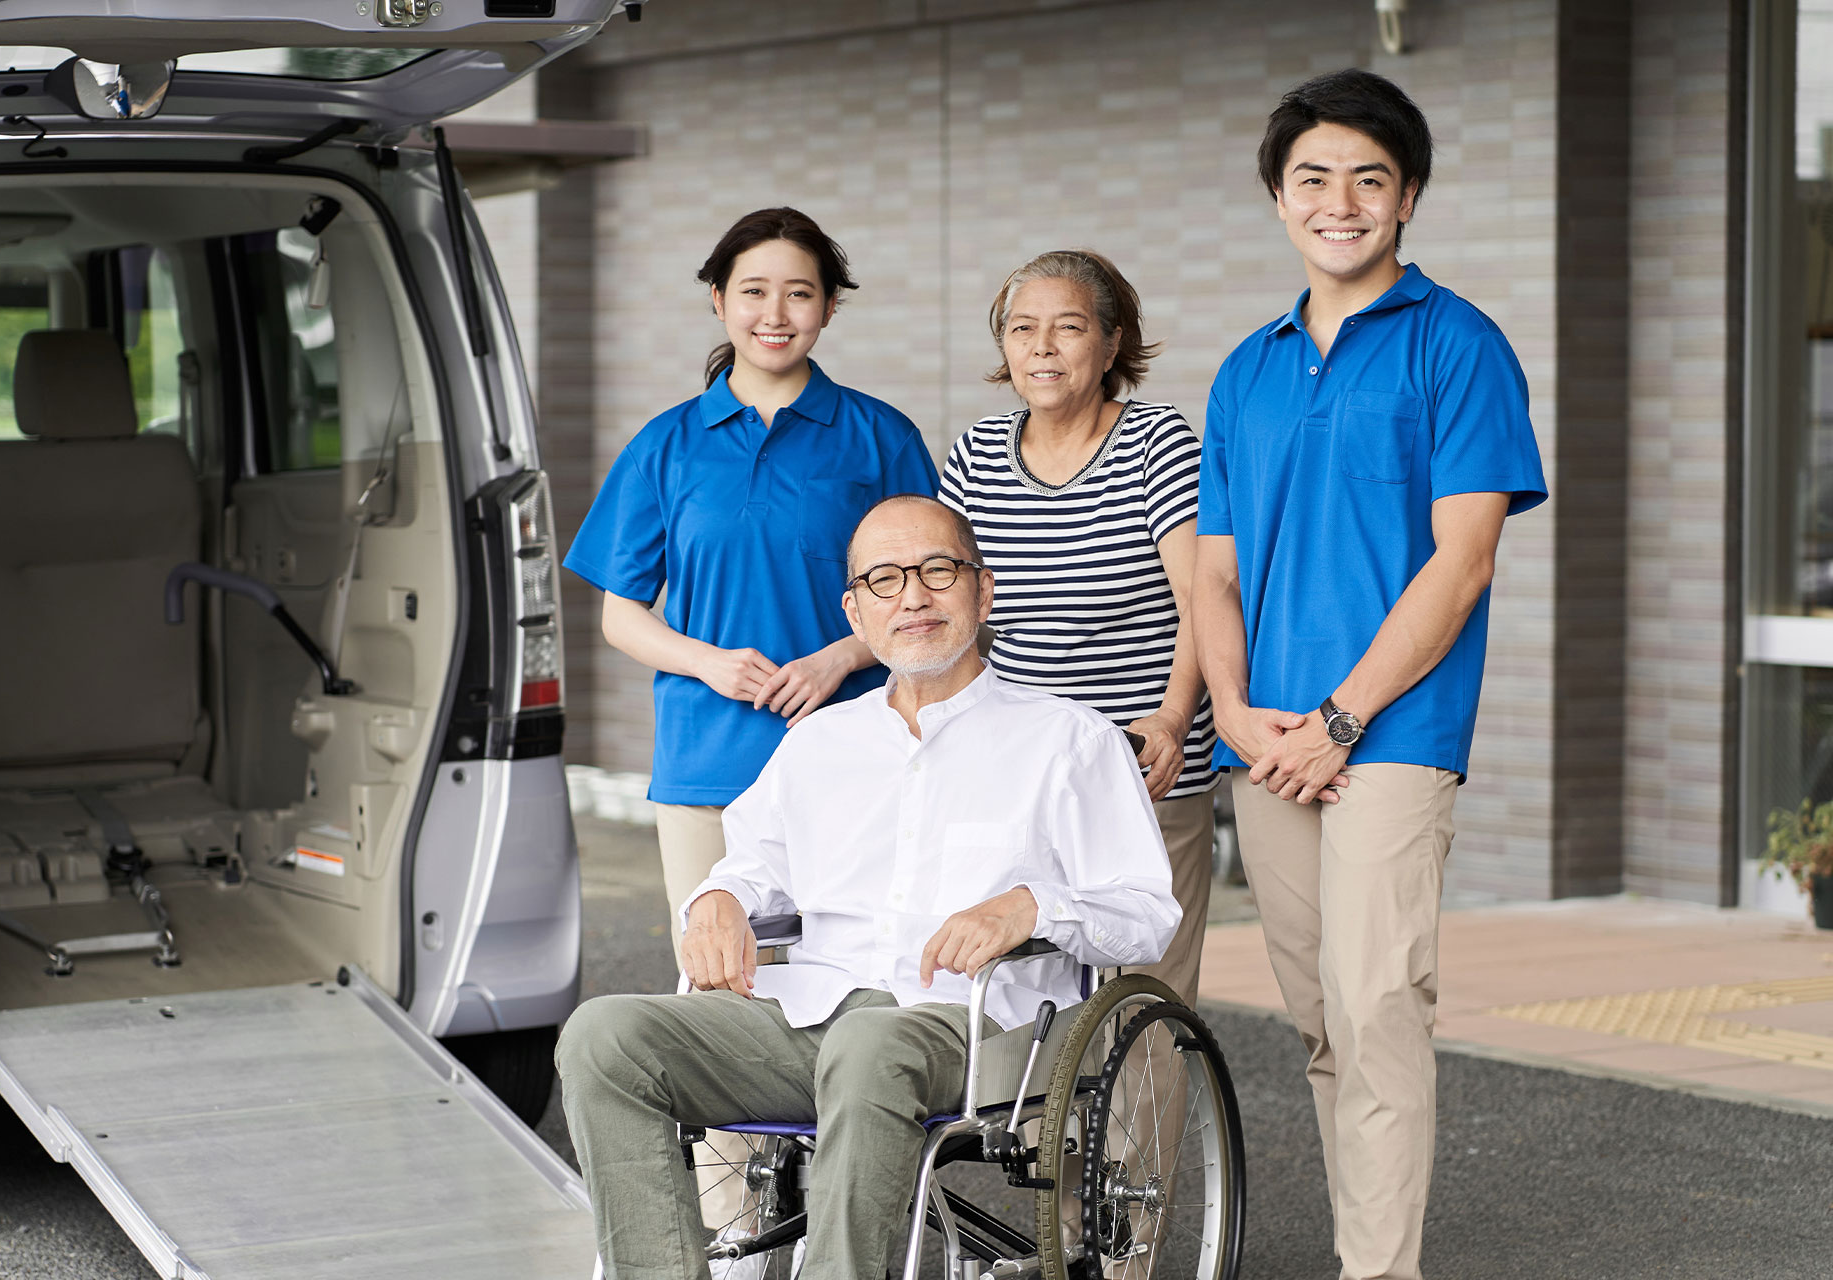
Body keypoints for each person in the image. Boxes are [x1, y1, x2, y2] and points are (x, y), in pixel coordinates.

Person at [557, 495, 1179, 1280]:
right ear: (856, 610)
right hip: (811, 1017)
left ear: (983, 592)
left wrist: (1032, 905)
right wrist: (716, 901)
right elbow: (749, 866)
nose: (912, 596)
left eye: (937, 571)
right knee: (604, 1037)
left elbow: (1146, 915)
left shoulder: (1067, 739)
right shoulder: (819, 742)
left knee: (871, 1042)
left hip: (973, 1029)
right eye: (884, 581)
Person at [1191, 70, 1547, 1280]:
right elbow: (1217, 571)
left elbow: (1464, 561)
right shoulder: (1248, 368)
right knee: (1323, 1023)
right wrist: (1238, 711)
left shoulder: (1460, 345)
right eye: (1312, 179)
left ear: (1407, 201)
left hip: (1390, 733)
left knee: (1379, 1002)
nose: (1339, 202)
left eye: (1369, 180)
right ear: (1278, 199)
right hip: (1269, 737)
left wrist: (1341, 717)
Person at [562, 206, 938, 964]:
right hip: (707, 765)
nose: (775, 314)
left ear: (830, 307)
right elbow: (621, 615)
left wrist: (842, 657)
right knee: (724, 988)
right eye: (753, 292)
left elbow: (931, 595)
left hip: (852, 756)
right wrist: (708, 661)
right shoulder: (665, 446)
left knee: (854, 980)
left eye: (799, 294)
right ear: (718, 300)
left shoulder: (881, 436)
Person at [940, 247, 1215, 1011]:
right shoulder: (975, 455)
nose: (1042, 347)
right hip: (1021, 774)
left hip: (1144, 763)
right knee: (1019, 999)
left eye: (1068, 327)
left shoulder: (1157, 443)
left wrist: (1171, 718)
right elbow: (952, 604)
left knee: (1140, 1005)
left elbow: (1203, 600)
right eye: (1022, 329)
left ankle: (1132, 1139)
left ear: (1112, 342)